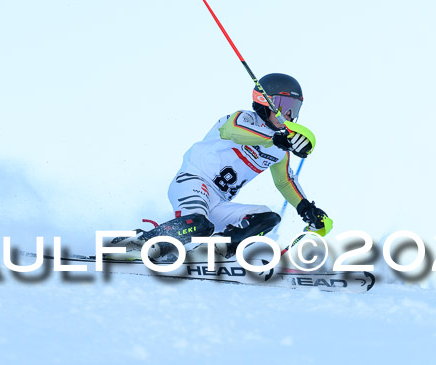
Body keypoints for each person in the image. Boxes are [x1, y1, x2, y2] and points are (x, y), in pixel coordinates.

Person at [115, 73, 331, 259]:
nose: (288, 115)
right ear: (264, 101)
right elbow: (232, 132)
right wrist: (275, 140)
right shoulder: (243, 119)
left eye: (294, 109)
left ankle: (211, 252)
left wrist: (307, 209)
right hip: (193, 183)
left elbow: (284, 182)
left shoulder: (279, 149)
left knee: (268, 217)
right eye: (284, 106)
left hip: (218, 203)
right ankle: (139, 244)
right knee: (200, 225)